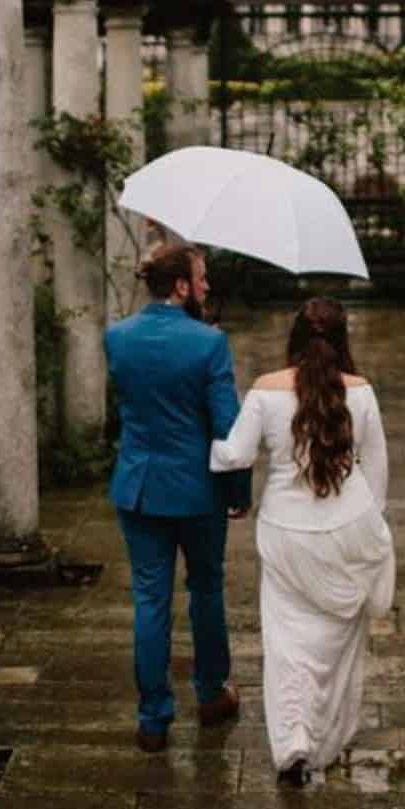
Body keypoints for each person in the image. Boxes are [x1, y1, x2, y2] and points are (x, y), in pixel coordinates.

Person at [210, 296, 394, 785]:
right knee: (339, 642)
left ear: (293, 336)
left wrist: (205, 443)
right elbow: (376, 473)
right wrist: (367, 526)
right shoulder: (362, 392)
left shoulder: (265, 390)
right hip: (348, 527)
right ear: (342, 339)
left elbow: (234, 455)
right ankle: (328, 737)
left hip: (286, 532)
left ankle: (294, 741)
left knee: (288, 641)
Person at [105, 242, 252, 753]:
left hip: (140, 486)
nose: (208, 286)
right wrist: (238, 491)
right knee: (206, 589)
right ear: (182, 286)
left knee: (150, 601)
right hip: (197, 491)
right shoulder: (209, 343)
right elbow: (226, 425)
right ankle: (211, 694)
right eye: (202, 277)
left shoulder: (117, 337)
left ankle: (152, 719)